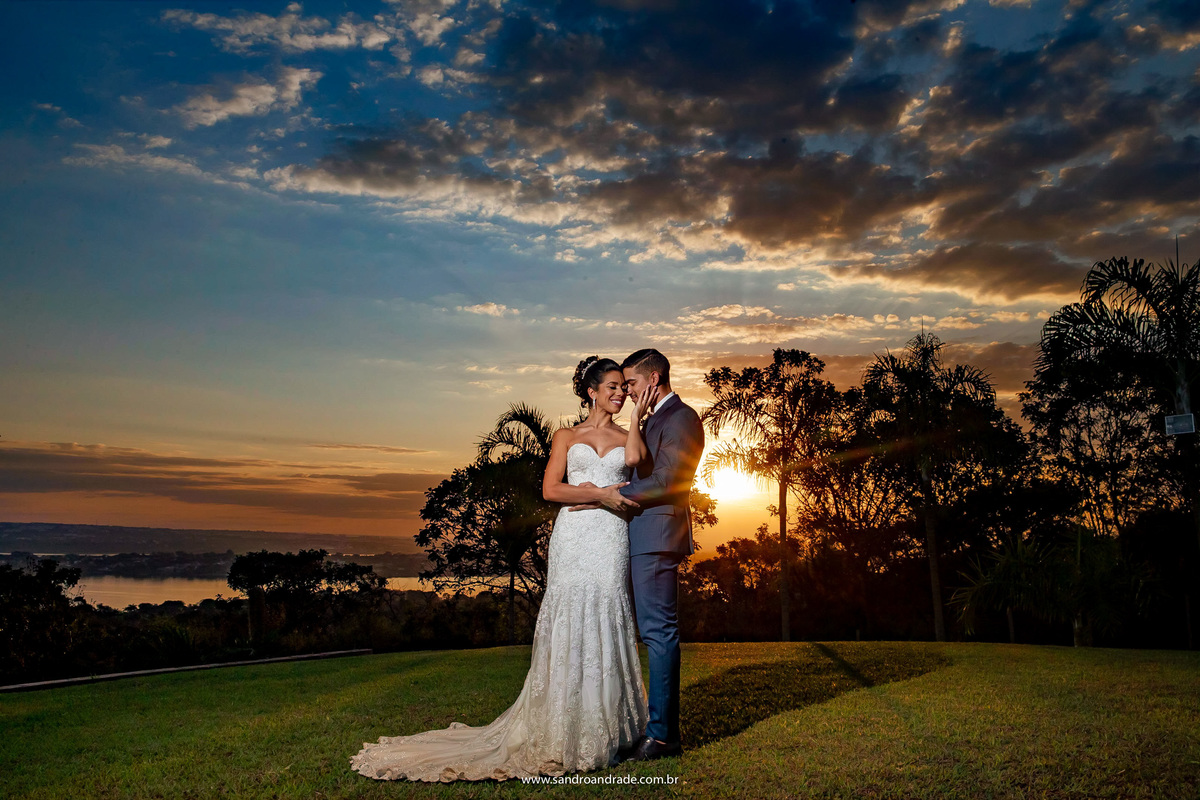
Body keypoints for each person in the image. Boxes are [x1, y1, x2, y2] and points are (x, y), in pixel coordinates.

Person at [349, 356, 651, 782]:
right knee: (570, 614)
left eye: (624, 387)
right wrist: (599, 495)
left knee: (607, 611)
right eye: (613, 387)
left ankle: (610, 727)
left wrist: (633, 424)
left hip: (610, 538)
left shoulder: (628, 436)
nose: (621, 393)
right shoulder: (567, 436)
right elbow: (551, 489)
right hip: (574, 537)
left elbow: (639, 476)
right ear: (592, 391)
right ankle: (562, 726)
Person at [580, 348, 703, 761]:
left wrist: (608, 494)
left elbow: (669, 480)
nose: (627, 391)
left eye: (631, 383)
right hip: (638, 536)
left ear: (653, 379)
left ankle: (663, 737)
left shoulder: (681, 417)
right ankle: (648, 726)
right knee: (647, 632)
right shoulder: (651, 419)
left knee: (659, 633)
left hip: (657, 536)